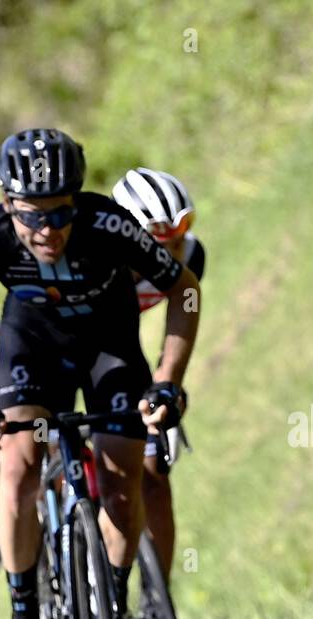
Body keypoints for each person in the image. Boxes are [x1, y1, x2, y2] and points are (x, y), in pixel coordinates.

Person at [0, 129, 201, 619]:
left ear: (77, 202)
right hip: (29, 352)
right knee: (16, 465)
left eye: (61, 213)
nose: (49, 230)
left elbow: (185, 290)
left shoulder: (109, 225)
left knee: (123, 480)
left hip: (108, 350)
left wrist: (167, 380)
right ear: (6, 204)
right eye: (31, 216)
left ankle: (115, 601)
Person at [111, 166, 206, 582]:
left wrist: (168, 383)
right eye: (158, 241)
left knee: (153, 475)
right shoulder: (96, 258)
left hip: (121, 349)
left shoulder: (190, 255)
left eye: (179, 234)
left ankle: (157, 610)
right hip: (61, 345)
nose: (170, 250)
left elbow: (178, 314)